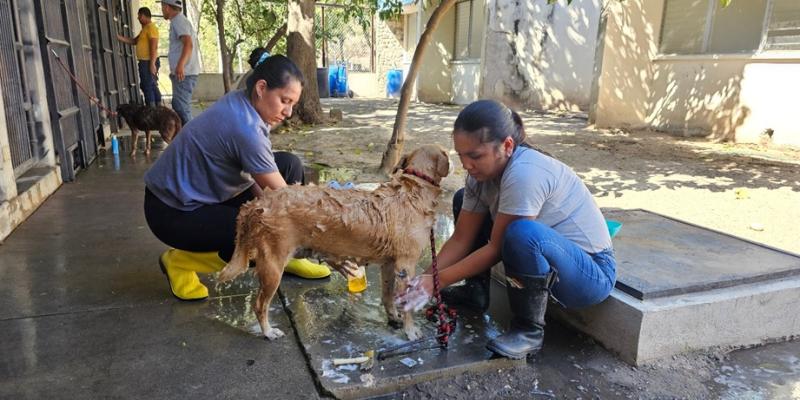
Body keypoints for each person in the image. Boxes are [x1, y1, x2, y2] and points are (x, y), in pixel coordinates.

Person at [396, 99, 617, 359]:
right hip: (551, 260)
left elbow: (496, 249)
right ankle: (476, 292)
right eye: (461, 155)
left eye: (475, 155)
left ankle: (529, 331)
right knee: (461, 199)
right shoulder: (479, 178)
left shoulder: (525, 173)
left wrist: (439, 281)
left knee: (521, 234)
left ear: (507, 146)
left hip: (590, 275)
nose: (466, 165)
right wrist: (425, 279)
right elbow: (461, 239)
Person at [143, 54, 330, 301]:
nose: (288, 112)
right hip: (171, 211)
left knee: (289, 165)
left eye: (293, 104)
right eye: (285, 100)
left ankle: (286, 256)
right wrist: (332, 239)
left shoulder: (243, 101)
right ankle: (179, 262)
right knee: (259, 232)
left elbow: (255, 177)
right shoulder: (246, 128)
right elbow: (290, 200)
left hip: (204, 191)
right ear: (262, 88)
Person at [160, 0, 200, 125]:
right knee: (179, 107)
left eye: (162, 7)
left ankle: (192, 138)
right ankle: (187, 138)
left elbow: (188, 43)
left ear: (166, 7)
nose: (162, 10)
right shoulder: (179, 21)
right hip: (185, 73)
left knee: (181, 108)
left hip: (185, 74)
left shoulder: (178, 21)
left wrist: (180, 66)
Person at [116, 7, 162, 106]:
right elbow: (134, 41)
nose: (138, 18)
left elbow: (154, 47)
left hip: (148, 61)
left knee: (147, 85)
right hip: (145, 62)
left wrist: (152, 63)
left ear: (146, 16)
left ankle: (152, 109)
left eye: (140, 16)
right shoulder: (144, 30)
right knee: (150, 84)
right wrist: (119, 37)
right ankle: (158, 106)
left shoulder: (151, 27)